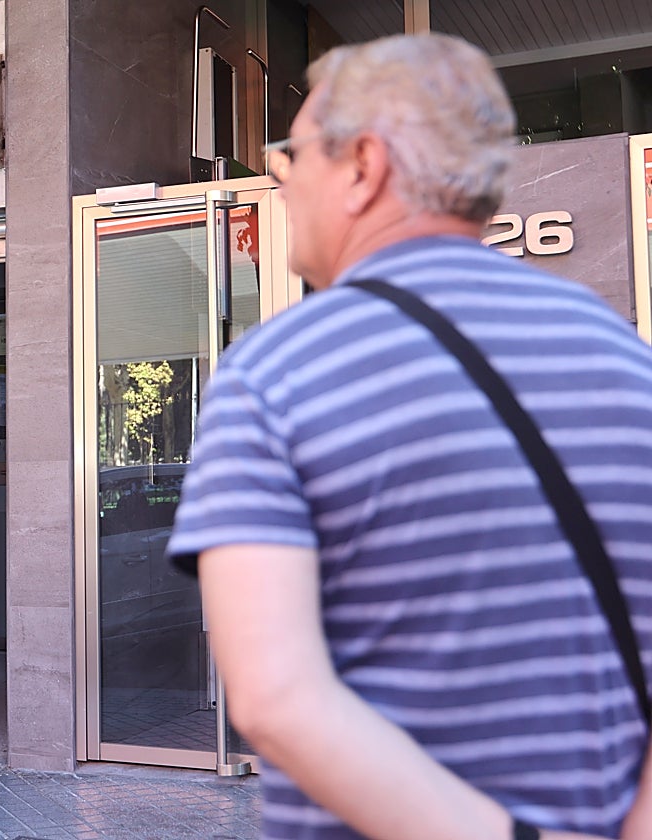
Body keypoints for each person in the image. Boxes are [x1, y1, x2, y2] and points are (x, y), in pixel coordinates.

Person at [167, 33, 652, 840]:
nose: (281, 184)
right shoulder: (623, 354)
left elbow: (273, 697)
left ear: (363, 164)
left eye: (292, 156)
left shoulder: (277, 373)